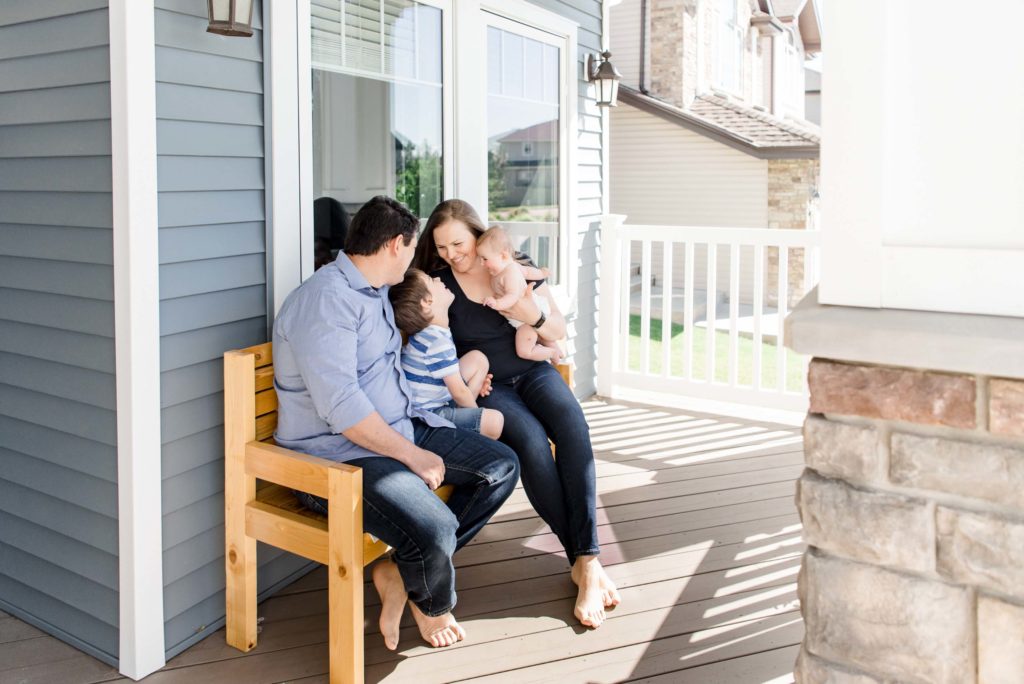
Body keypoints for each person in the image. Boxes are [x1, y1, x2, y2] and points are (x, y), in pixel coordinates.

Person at [272, 195, 520, 650]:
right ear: (393, 244)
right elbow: (342, 407)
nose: (413, 260)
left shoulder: (373, 291)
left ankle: (403, 567)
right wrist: (412, 454)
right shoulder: (326, 302)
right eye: (411, 250)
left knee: (501, 466)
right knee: (436, 526)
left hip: (398, 429)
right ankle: (432, 602)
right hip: (340, 459)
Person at [413, 199, 622, 629]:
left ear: (476, 233)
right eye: (442, 246)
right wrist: (468, 379)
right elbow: (430, 345)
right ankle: (584, 560)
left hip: (533, 371)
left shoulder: (511, 264)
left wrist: (532, 311)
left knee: (573, 425)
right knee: (529, 443)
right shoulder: (436, 284)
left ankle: (587, 558)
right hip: (491, 387)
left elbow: (557, 330)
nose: (453, 253)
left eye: (459, 242)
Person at [388, 268, 505, 439]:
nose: (436, 278)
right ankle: (470, 434)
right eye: (430, 280)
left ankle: (460, 413)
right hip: (429, 414)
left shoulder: (431, 333)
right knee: (494, 421)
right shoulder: (436, 341)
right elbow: (458, 391)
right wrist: (476, 414)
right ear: (427, 302)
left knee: (477, 359)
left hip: (437, 397)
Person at [475, 226, 561, 363]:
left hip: (525, 319)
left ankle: (551, 352)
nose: (482, 263)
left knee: (524, 351)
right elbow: (528, 272)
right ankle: (553, 348)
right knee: (545, 337)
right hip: (535, 308)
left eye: (485, 259)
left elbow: (512, 296)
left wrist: (497, 303)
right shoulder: (513, 265)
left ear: (503, 255)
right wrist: (542, 273)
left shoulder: (508, 275)